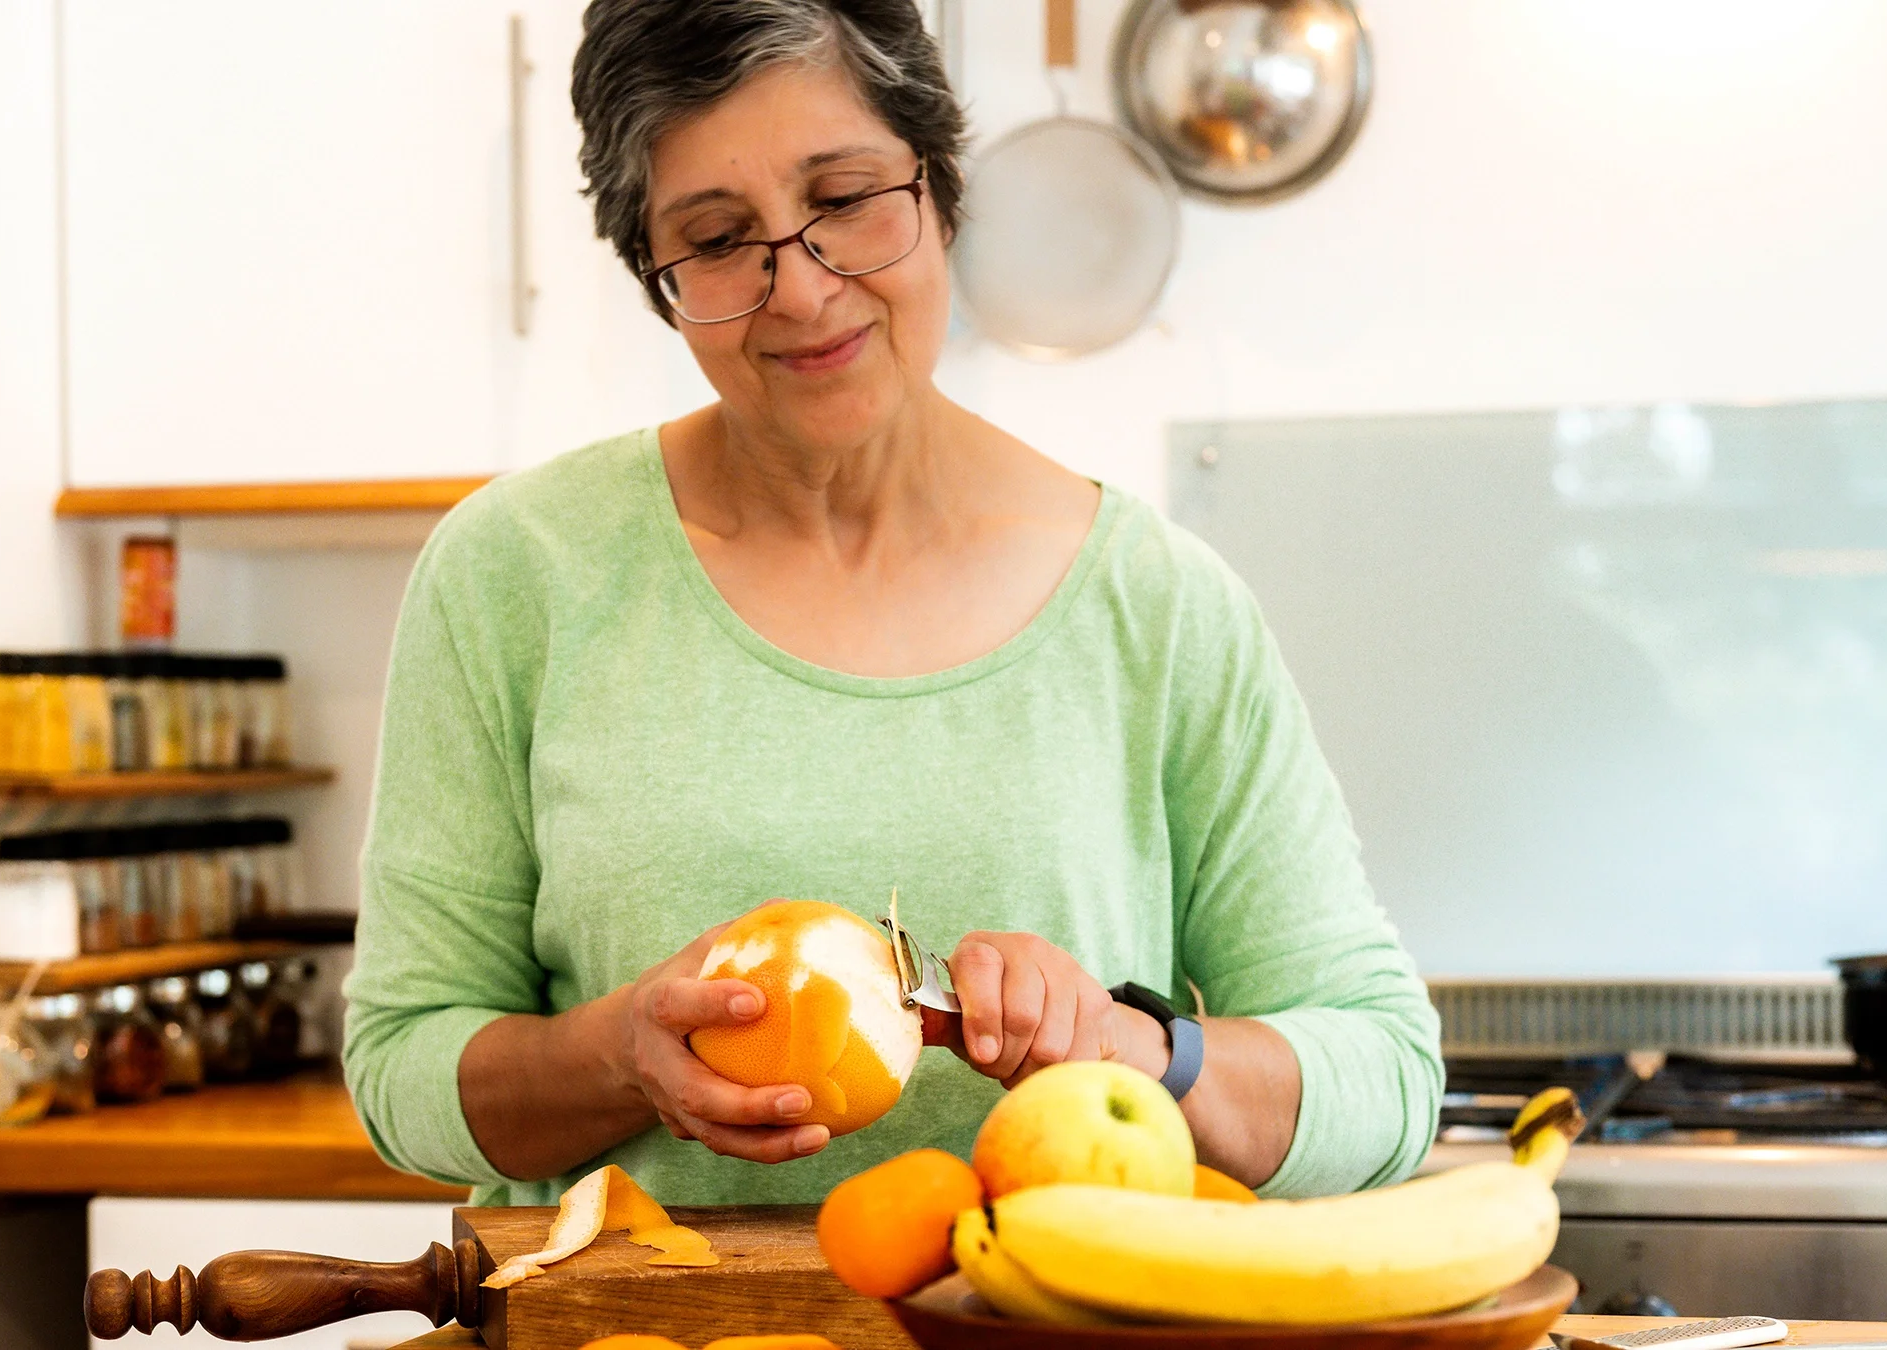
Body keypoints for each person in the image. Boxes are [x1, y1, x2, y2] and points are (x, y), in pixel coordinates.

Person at [343, 0, 1440, 1207]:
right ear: (654, 278)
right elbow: (401, 1068)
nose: (803, 292)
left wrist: (1137, 1050)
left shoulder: (1157, 606)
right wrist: (617, 1057)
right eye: (718, 240)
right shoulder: (515, 572)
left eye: (848, 197)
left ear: (941, 187)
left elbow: (1384, 1079)